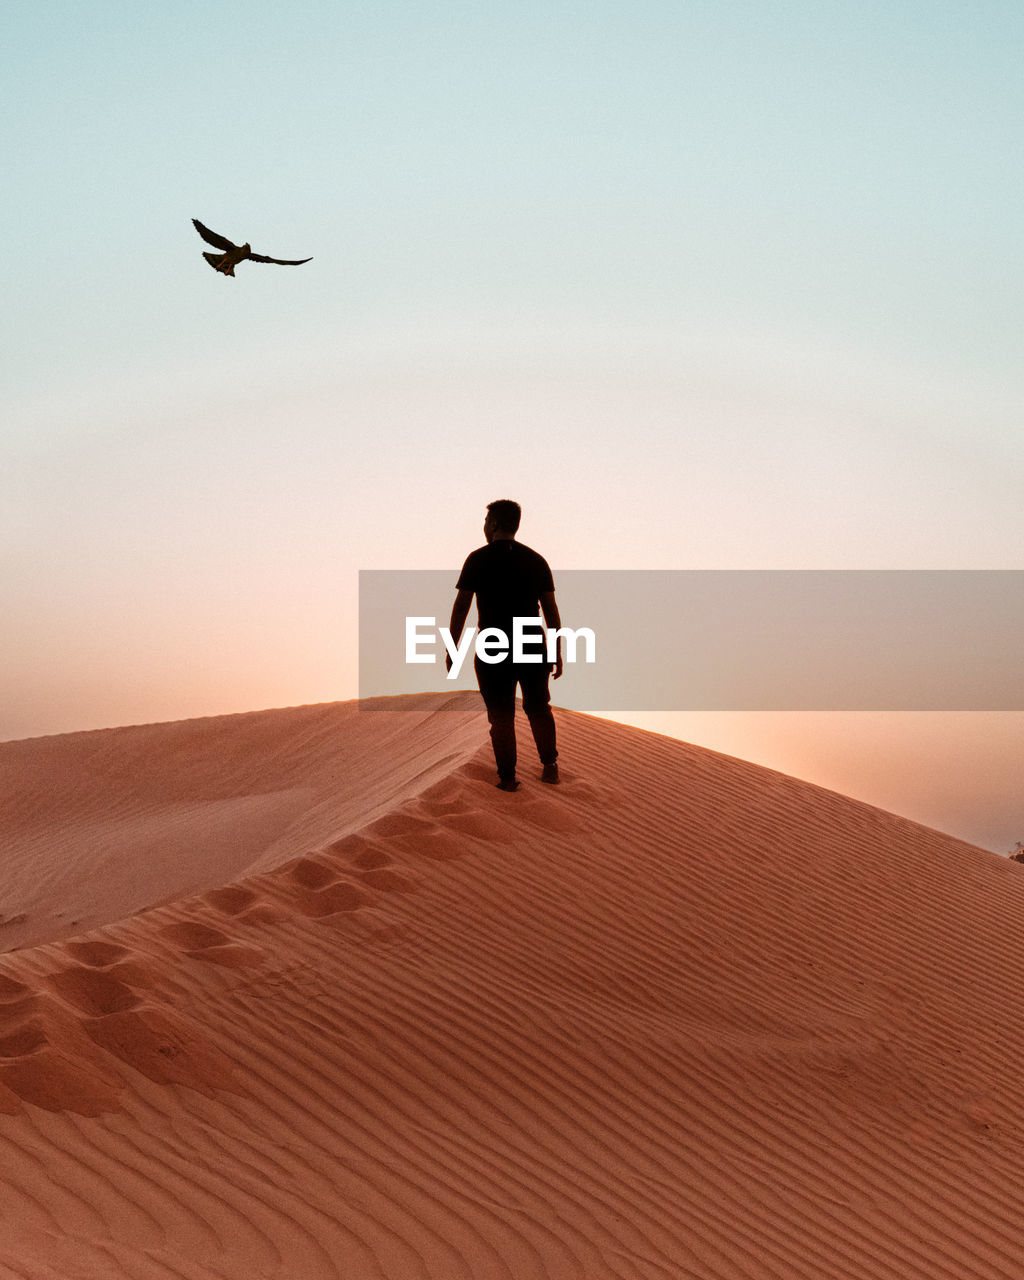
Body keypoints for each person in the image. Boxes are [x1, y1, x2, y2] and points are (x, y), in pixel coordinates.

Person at [447, 500, 562, 791]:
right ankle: (550, 767)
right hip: (531, 640)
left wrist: (453, 647)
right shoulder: (536, 560)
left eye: (486, 521)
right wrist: (559, 649)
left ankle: (508, 779)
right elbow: (550, 609)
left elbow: (462, 606)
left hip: (493, 643)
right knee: (538, 707)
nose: (484, 526)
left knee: (501, 714)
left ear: (494, 523)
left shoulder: (478, 558)